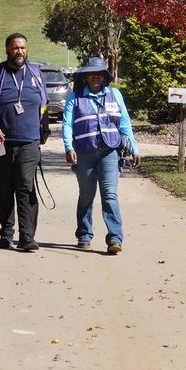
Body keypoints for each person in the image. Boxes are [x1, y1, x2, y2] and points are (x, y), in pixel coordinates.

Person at [0, 33, 50, 251]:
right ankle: (6, 233)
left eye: (23, 48)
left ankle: (27, 236)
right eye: (16, 48)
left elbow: (43, 104)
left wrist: (45, 127)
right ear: (7, 49)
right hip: (0, 142)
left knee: (25, 186)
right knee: (4, 189)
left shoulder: (36, 73)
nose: (20, 52)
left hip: (29, 141)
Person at [62, 57, 140, 255]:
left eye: (99, 73)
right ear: (86, 77)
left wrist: (135, 148)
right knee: (87, 196)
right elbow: (67, 124)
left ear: (104, 77)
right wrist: (68, 147)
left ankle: (115, 238)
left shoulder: (115, 95)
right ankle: (84, 234)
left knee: (110, 195)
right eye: (91, 73)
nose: (96, 76)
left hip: (110, 151)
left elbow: (124, 123)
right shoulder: (75, 97)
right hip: (84, 152)